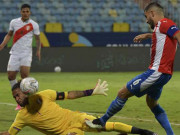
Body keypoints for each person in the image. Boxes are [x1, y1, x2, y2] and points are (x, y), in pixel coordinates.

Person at [86, 2, 180, 135]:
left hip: (156, 72)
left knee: (122, 93)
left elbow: (177, 34)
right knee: (151, 103)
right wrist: (148, 36)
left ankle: (102, 121)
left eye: (146, 16)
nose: (146, 20)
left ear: (152, 13)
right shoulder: (160, 28)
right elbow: (164, 37)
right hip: (164, 74)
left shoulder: (164, 22)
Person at [0, 79, 156, 135]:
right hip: (67, 132)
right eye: (15, 97)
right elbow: (9, 133)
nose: (17, 99)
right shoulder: (22, 116)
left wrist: (91, 91)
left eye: (18, 95)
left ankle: (145, 132)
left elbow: (70, 95)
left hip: (75, 118)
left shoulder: (44, 95)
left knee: (105, 125)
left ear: (27, 92)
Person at [0, 4, 41, 110]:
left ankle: (24, 101)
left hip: (26, 54)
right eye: (24, 11)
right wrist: (2, 45)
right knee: (11, 76)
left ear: (30, 12)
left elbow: (37, 39)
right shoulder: (14, 22)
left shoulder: (34, 25)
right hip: (14, 53)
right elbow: (9, 34)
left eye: (27, 11)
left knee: (24, 77)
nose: (25, 13)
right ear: (20, 12)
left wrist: (38, 50)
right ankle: (18, 98)